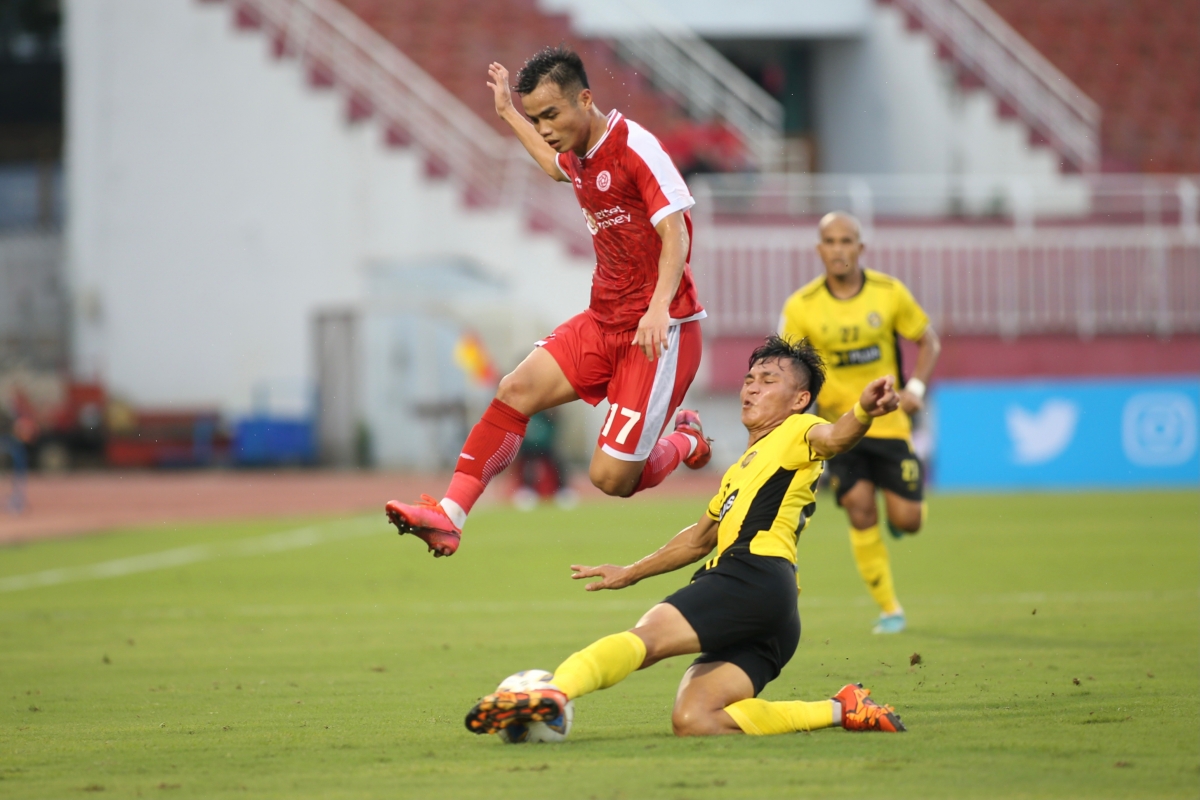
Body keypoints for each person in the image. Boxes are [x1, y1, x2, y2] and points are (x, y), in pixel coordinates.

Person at [465, 337, 906, 739]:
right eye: (749, 379)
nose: (752, 388)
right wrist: (631, 572)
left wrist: (864, 411)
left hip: (750, 575)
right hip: (774, 608)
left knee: (648, 638)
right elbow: (697, 540)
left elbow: (835, 437)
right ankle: (841, 709)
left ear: (800, 400)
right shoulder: (740, 470)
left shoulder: (797, 430)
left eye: (768, 380)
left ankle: (555, 692)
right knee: (696, 719)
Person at [386, 46, 711, 557]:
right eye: (537, 118)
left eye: (551, 115)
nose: (545, 128)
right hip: (603, 322)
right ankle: (449, 515)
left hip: (659, 333)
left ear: (585, 99)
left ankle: (686, 440)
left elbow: (677, 233)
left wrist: (657, 307)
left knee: (611, 479)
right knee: (515, 389)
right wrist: (508, 115)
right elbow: (553, 165)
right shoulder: (578, 154)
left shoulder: (635, 146)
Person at [778, 212, 942, 634]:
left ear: (860, 247)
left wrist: (916, 389)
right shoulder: (801, 306)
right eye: (830, 241)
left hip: (889, 423)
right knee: (859, 508)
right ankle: (890, 609)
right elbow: (789, 367)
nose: (839, 249)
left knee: (908, 521)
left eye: (846, 240)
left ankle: (899, 518)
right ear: (820, 249)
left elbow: (928, 340)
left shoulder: (888, 293)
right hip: (842, 428)